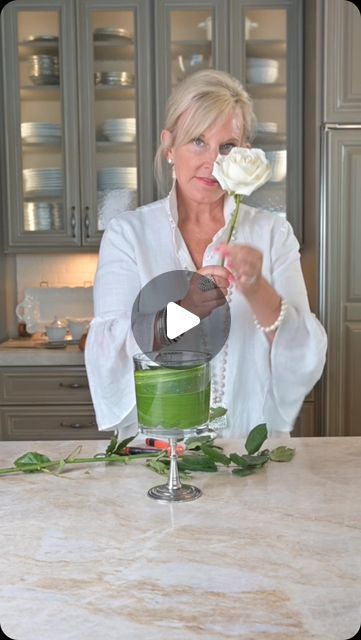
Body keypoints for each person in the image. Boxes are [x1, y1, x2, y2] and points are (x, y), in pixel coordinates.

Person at [85, 69, 327, 440]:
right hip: (156, 452)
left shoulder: (273, 233)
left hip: (246, 448)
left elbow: (302, 352)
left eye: (227, 146)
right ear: (169, 147)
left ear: (243, 153)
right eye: (198, 141)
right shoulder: (128, 234)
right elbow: (111, 350)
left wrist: (255, 286)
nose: (213, 161)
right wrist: (186, 311)